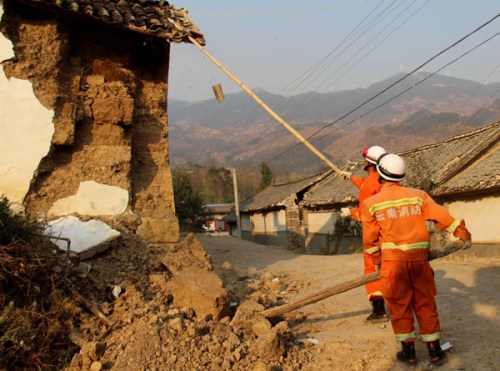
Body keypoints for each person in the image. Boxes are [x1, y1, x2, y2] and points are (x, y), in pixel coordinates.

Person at [360, 153, 472, 367]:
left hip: (393, 265)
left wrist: (378, 261)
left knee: (399, 307)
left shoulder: (371, 203)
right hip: (420, 262)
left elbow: (370, 240)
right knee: (425, 303)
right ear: (401, 175)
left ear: (380, 174)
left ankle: (409, 353)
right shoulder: (418, 196)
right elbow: (441, 215)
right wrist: (461, 231)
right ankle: (435, 352)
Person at [339, 145, 388, 323]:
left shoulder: (371, 183)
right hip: (391, 233)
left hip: (375, 235)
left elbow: (365, 214)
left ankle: (379, 310)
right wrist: (350, 177)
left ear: (367, 162)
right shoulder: (385, 180)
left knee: (372, 270)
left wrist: (350, 212)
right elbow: (364, 184)